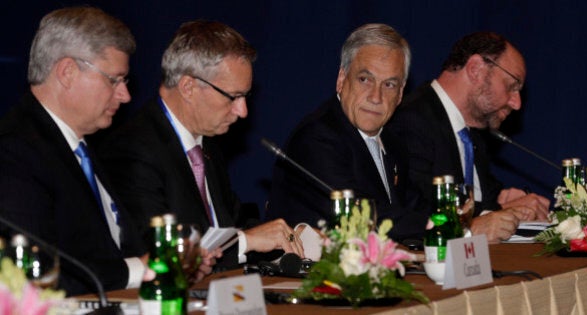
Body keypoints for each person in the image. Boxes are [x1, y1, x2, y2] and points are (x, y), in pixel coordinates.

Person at [98, 20, 305, 271]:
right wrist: (246, 241)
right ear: (188, 87)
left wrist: (295, 237)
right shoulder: (132, 148)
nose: (242, 111)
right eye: (233, 97)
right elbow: (155, 250)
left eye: (245, 97)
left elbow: (236, 224)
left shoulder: (207, 147)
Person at [0, 7, 149, 296]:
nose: (125, 95)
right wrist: (139, 270)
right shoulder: (13, 151)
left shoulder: (79, 146)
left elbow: (113, 246)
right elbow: (33, 275)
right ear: (67, 72)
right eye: (114, 80)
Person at [268, 23, 427, 242]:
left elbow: (412, 207)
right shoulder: (317, 138)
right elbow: (364, 219)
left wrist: (455, 215)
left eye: (389, 84)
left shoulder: (392, 141)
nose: (375, 97)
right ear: (342, 80)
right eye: (365, 79)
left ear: (400, 94)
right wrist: (443, 225)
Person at [387, 31, 550, 243]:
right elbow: (416, 213)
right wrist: (497, 212)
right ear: (475, 69)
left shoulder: (472, 132)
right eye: (512, 86)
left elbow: (485, 199)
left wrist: (511, 200)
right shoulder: (410, 120)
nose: (516, 103)